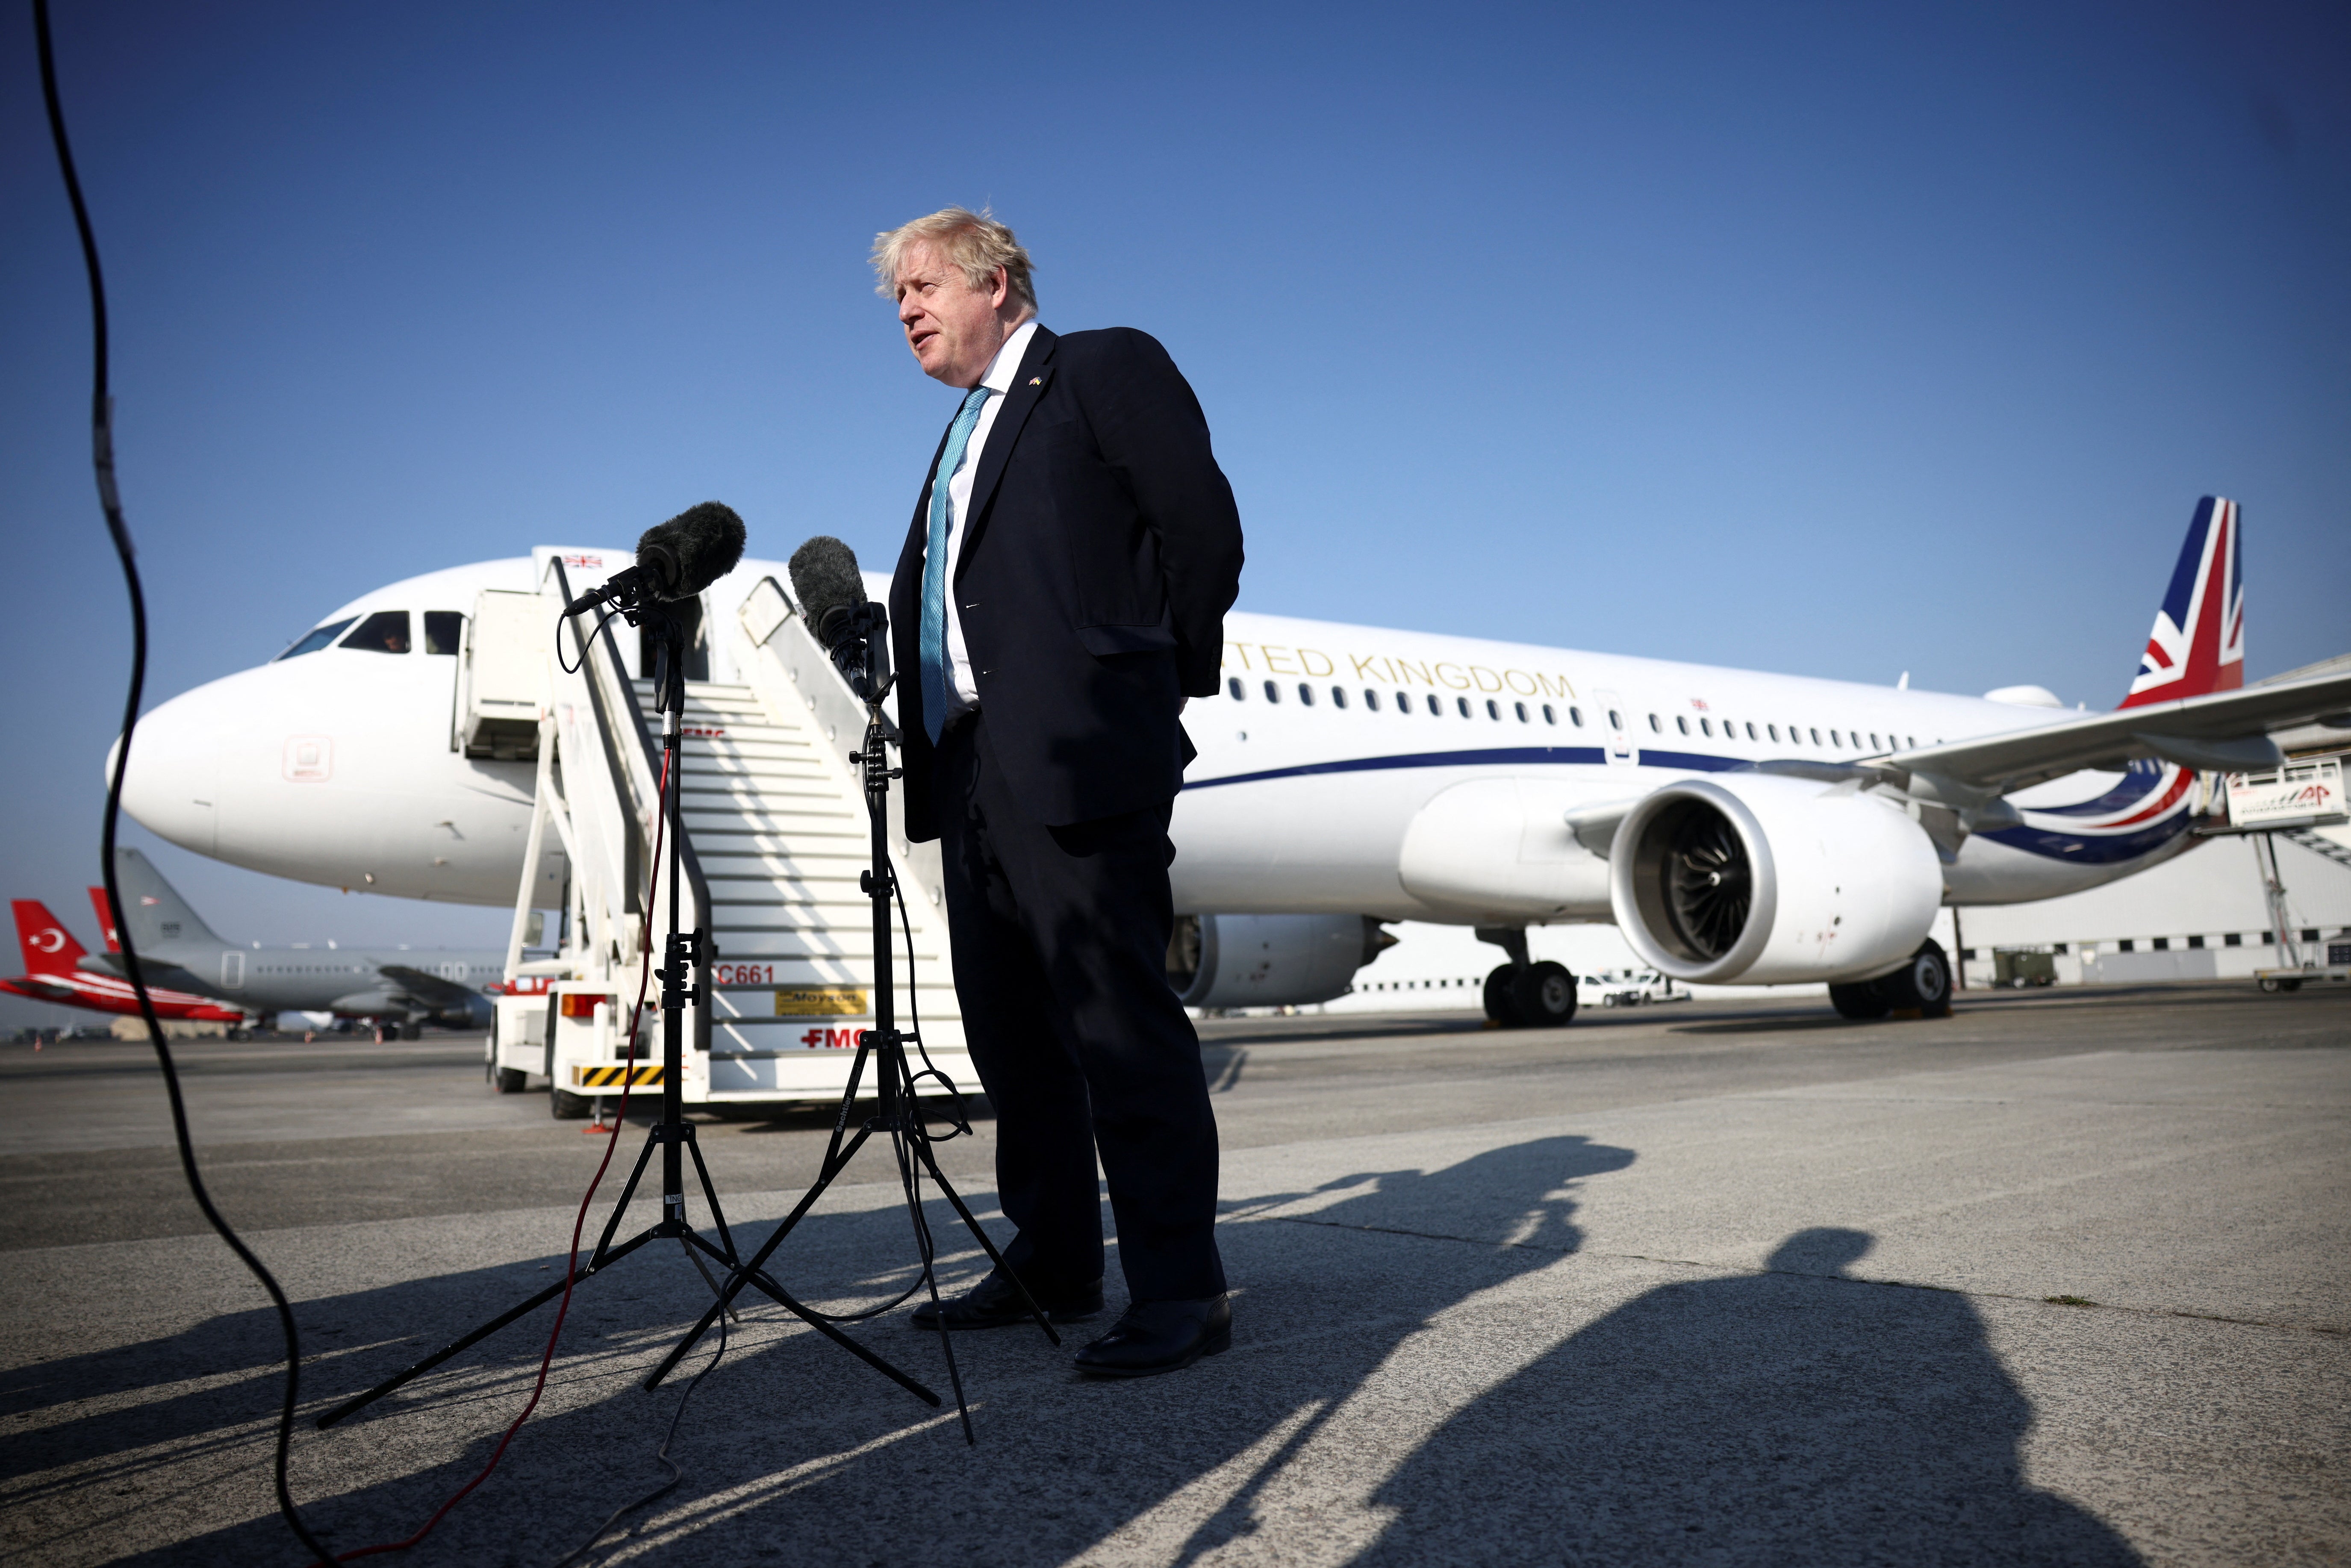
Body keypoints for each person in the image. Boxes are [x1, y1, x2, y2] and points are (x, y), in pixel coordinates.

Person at [875, 207, 1244, 1377]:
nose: (907, 311)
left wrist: (1143, 685)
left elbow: (1201, 530)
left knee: (1118, 1024)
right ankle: (1055, 1255)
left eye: (923, 286)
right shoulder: (956, 439)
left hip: (1082, 753)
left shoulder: (1100, 366)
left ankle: (1182, 1288)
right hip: (973, 767)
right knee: (1013, 1036)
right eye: (896, 300)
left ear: (996, 281)